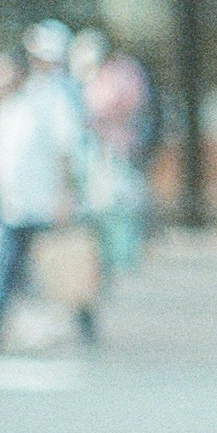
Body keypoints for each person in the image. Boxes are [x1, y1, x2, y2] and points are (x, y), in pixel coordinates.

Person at [0, 46, 98, 353]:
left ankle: (85, 322)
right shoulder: (7, 107)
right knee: (6, 271)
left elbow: (66, 149)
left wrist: (66, 195)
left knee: (62, 266)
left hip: (45, 205)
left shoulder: (47, 100)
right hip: (15, 207)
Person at [72, 28, 154, 276]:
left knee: (121, 200)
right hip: (94, 150)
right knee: (97, 201)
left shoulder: (122, 72)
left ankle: (124, 253)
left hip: (119, 148)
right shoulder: (88, 76)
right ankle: (103, 253)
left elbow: (120, 105)